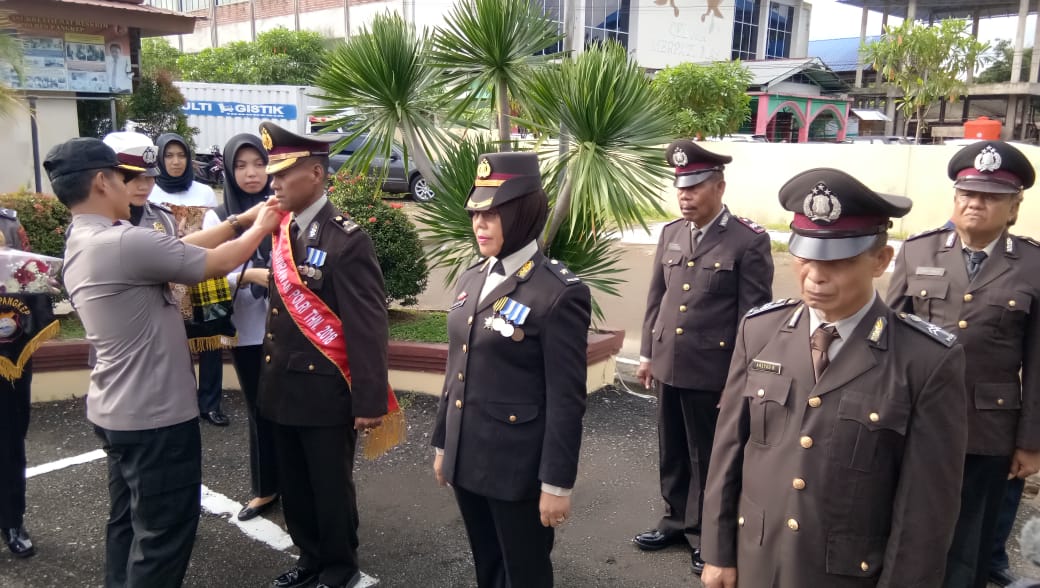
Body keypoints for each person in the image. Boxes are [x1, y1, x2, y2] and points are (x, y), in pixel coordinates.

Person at [701, 168, 968, 588]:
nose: (815, 276)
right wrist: (717, 552)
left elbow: (926, 507)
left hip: (847, 573)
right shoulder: (761, 331)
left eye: (838, 262)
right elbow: (730, 448)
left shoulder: (926, 359)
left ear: (881, 261)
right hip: (757, 559)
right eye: (805, 257)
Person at [46, 137, 280, 587]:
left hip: (118, 410)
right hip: (155, 418)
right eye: (121, 177)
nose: (136, 187)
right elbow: (212, 262)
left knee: (128, 524)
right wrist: (262, 225)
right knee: (163, 539)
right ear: (101, 181)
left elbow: (180, 244)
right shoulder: (120, 242)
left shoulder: (86, 237)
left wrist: (239, 219)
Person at [430, 152, 592, 588]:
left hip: (518, 470)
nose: (479, 224)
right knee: (488, 565)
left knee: (524, 573)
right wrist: (445, 443)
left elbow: (566, 397)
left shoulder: (557, 292)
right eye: (476, 214)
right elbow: (455, 369)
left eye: (493, 214)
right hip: (469, 456)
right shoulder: (471, 278)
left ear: (522, 213)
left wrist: (557, 482)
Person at [885, 140, 1040, 588]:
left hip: (989, 426)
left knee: (971, 537)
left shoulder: (1032, 264)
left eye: (991, 196)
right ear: (955, 199)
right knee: (907, 520)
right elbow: (888, 337)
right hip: (914, 417)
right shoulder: (918, 252)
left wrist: (1030, 441)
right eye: (968, 194)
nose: (976, 203)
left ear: (1013, 208)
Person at [255, 122, 389, 588]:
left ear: (314, 173)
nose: (273, 184)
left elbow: (367, 326)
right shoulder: (281, 231)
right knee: (294, 486)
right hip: (281, 387)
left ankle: (338, 567)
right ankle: (310, 559)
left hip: (325, 391)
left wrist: (369, 401)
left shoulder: (347, 240)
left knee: (329, 488)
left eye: (281, 174)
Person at [633, 139, 773, 574]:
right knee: (671, 449)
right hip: (669, 363)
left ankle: (706, 534)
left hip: (713, 372)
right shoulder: (672, 233)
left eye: (694, 187)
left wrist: (738, 382)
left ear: (719, 187)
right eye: (680, 187)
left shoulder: (747, 241)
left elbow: (753, 321)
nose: (685, 195)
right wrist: (646, 354)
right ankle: (675, 520)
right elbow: (656, 299)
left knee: (710, 457)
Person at [200, 133, 278, 521]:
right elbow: (211, 274)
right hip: (247, 328)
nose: (252, 173)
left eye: (259, 164)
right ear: (229, 171)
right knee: (259, 410)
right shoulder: (218, 217)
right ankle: (265, 488)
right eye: (241, 166)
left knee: (292, 408)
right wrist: (250, 277)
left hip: (289, 328)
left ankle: (294, 481)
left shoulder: (282, 207)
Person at [149, 133, 228, 427]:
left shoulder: (205, 192)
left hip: (201, 272)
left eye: (181, 155)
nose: (175, 161)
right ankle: (180, 404)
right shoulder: (150, 192)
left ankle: (210, 404)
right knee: (173, 341)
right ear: (158, 159)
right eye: (168, 155)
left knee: (210, 341)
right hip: (167, 276)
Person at [0, 209, 55, 559]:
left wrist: (43, 284)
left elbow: (30, 280)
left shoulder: (8, 222)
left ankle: (11, 521)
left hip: (8, 354)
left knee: (8, 442)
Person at [102, 132, 176, 236]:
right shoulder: (92, 222)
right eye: (134, 177)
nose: (144, 186)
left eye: (150, 177)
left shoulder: (165, 219)